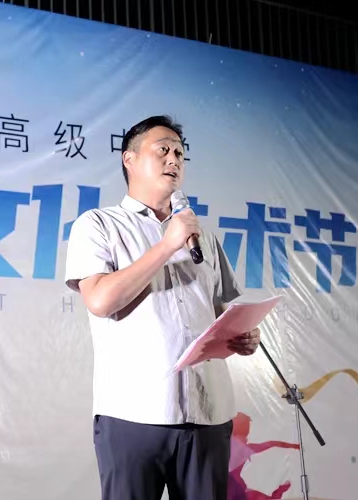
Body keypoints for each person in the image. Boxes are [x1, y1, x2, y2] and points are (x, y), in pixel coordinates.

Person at [65, 115, 260, 499]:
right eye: (163, 150)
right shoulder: (99, 224)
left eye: (180, 154)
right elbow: (100, 300)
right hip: (134, 414)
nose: (174, 159)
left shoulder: (202, 236)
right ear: (130, 159)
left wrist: (242, 335)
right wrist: (167, 245)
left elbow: (219, 313)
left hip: (208, 413)